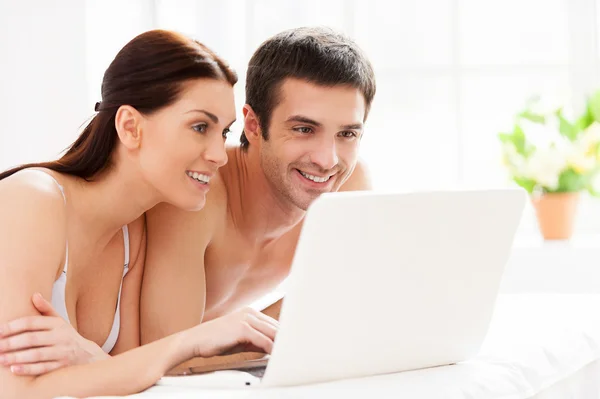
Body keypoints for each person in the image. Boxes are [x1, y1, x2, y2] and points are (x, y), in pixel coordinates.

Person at [0, 29, 277, 398]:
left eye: (223, 131)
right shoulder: (31, 201)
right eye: (200, 127)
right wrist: (190, 342)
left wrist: (90, 355)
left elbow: (129, 386)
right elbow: (15, 390)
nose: (219, 154)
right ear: (130, 127)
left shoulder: (133, 232)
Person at [139, 26, 376, 356]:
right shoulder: (198, 194)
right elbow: (166, 359)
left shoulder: (349, 185)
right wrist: (313, 303)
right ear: (252, 125)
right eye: (304, 129)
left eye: (347, 134)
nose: (327, 160)